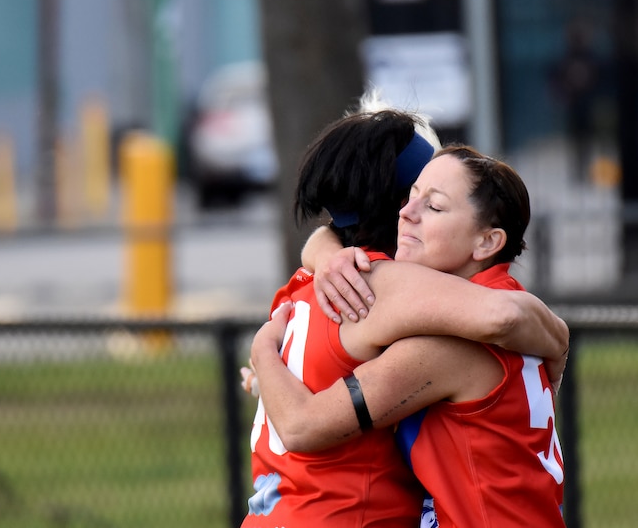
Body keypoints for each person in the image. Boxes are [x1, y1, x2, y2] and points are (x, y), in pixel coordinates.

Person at [242, 94, 567, 527]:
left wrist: (265, 351)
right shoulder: (401, 297)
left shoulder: (304, 289)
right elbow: (503, 316)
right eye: (411, 197)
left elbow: (301, 413)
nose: (409, 214)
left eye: (433, 205)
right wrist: (558, 345)